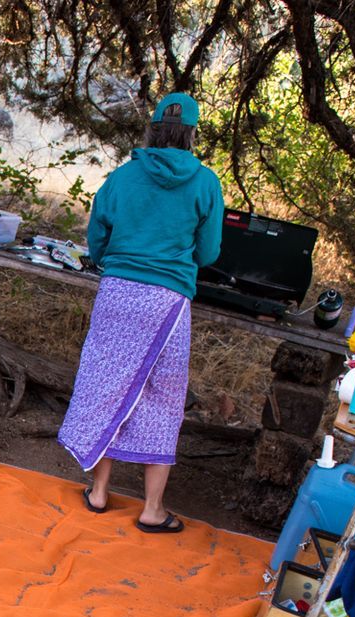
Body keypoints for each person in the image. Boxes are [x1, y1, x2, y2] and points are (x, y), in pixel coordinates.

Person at [57, 91, 223, 534]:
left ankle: (98, 491)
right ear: (190, 133)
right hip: (166, 302)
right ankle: (151, 509)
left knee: (107, 384)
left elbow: (97, 238)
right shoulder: (206, 182)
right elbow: (208, 252)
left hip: (117, 294)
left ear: (152, 128)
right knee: (163, 401)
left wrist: (118, 256)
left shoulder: (124, 176)